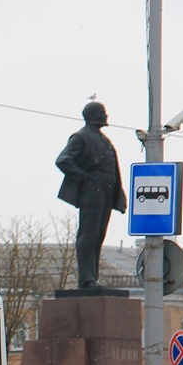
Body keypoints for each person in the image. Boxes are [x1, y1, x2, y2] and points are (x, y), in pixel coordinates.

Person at [55, 102, 126, 289]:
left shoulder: (104, 140)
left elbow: (114, 171)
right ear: (93, 115)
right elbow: (63, 160)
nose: (107, 115)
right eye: (103, 112)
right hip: (93, 191)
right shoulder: (81, 137)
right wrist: (85, 179)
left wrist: (120, 195)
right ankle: (87, 280)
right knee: (88, 235)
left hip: (106, 192)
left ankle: (92, 278)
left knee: (99, 235)